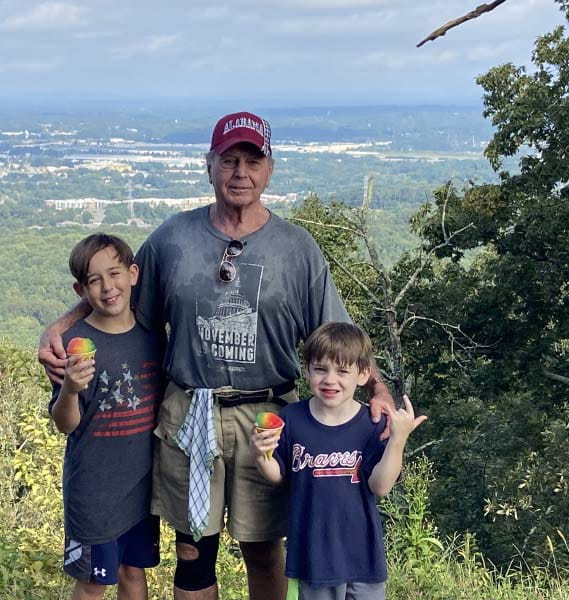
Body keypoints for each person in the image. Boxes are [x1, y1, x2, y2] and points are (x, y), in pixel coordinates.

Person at [39, 111, 395, 600]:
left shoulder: (296, 248)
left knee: (265, 548)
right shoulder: (173, 239)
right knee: (193, 550)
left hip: (268, 416)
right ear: (209, 166)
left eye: (252, 160)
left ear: (270, 169)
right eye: (229, 160)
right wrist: (60, 326)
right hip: (190, 409)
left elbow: (339, 336)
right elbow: (117, 287)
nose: (240, 173)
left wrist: (377, 390)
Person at [252, 322, 427, 600]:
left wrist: (398, 440)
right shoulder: (291, 419)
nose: (330, 380)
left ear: (363, 375)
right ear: (307, 369)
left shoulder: (372, 424)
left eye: (342, 371)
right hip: (314, 561)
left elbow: (380, 487)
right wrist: (262, 454)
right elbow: (277, 476)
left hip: (363, 559)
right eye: (320, 369)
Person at [49, 233, 166, 600]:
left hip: (142, 487)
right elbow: (66, 424)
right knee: (94, 581)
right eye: (94, 280)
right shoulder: (75, 344)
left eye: (114, 274)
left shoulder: (153, 336)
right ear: (80, 289)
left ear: (133, 274)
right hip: (95, 493)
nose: (107, 287)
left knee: (133, 571)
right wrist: (69, 389)